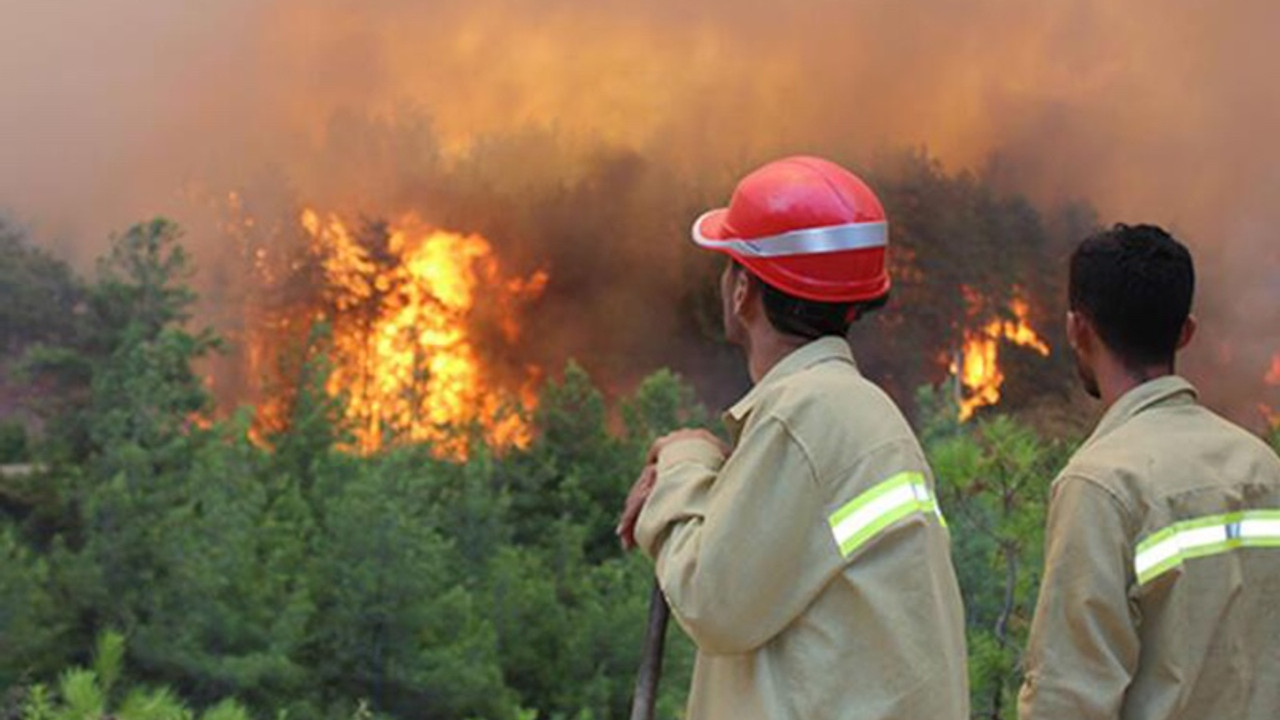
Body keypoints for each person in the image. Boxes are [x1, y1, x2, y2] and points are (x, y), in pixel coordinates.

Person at [616, 156, 969, 720]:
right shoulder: (861, 416)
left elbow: (714, 600)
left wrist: (681, 464)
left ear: (743, 293)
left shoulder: (803, 417)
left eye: (730, 266)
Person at [1018, 223, 1280, 719]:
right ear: (1185, 332)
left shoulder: (1101, 485)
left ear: (1078, 328)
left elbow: (1068, 696)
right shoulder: (1263, 468)